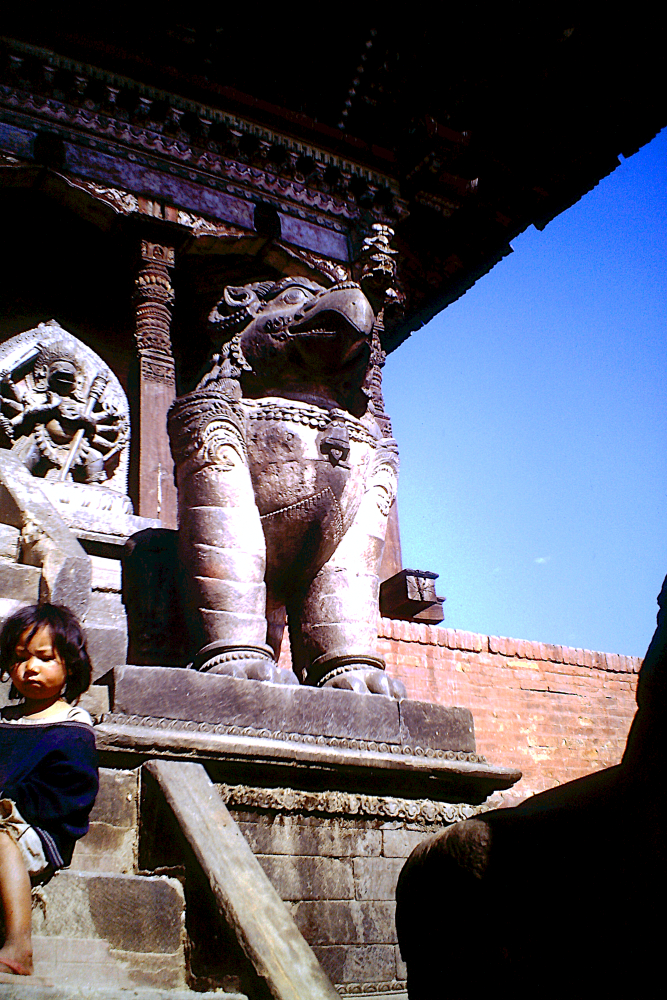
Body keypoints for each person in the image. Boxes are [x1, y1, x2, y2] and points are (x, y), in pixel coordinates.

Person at [0, 604, 99, 978]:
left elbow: (72, 791)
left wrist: (11, 801)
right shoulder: (5, 720)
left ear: (69, 666)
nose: (30, 668)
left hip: (38, 829)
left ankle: (18, 946)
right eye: (20, 658)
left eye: (44, 657)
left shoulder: (72, 727)